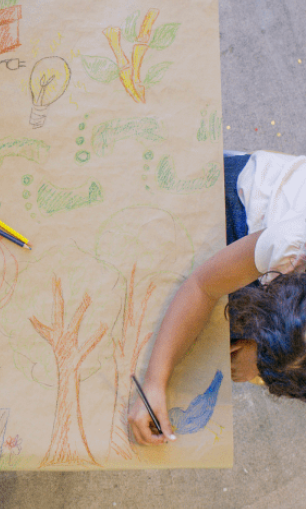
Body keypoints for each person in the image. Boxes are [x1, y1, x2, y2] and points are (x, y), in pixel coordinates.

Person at [130, 150, 306, 445]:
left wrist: (259, 361)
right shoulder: (292, 242)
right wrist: (154, 382)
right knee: (149, 286)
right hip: (244, 204)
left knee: (217, 348)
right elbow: (202, 285)